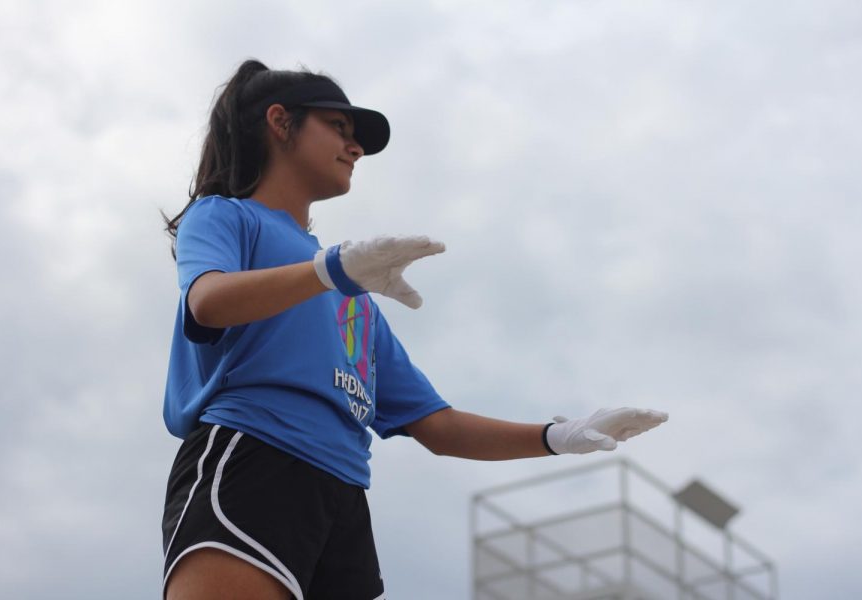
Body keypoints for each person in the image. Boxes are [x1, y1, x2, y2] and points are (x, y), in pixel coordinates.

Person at [160, 59, 668, 600]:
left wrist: (555, 437)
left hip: (345, 498)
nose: (355, 148)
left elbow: (438, 426)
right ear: (280, 122)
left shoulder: (351, 288)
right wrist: (331, 270)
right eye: (339, 128)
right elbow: (207, 302)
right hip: (255, 460)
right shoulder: (226, 217)